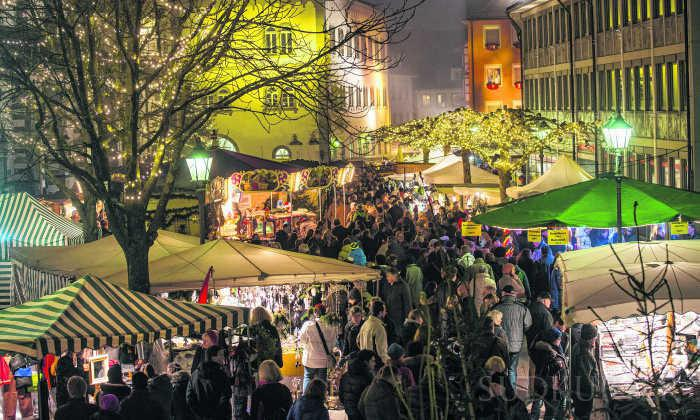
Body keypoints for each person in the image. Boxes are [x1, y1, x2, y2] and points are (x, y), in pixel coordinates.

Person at [493, 285, 532, 390]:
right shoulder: (523, 308)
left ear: (503, 294)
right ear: (513, 294)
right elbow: (528, 324)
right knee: (512, 369)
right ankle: (512, 393)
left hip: (500, 344)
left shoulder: (496, 308)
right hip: (516, 345)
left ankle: (501, 392)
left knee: (501, 369)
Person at [298, 304, 338, 392]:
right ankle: (321, 400)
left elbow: (301, 341)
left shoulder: (308, 325)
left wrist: (306, 346)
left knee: (308, 378)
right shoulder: (330, 326)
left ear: (315, 313)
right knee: (322, 382)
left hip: (310, 359)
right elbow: (333, 343)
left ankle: (306, 399)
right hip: (323, 360)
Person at [530, 328, 567, 420]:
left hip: (540, 382)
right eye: (558, 338)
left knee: (538, 406)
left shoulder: (541, 348)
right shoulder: (551, 352)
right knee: (551, 411)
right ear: (552, 339)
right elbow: (549, 370)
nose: (560, 340)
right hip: (551, 386)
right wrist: (558, 365)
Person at [186, 345, 232, 420]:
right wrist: (217, 415)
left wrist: (199, 414)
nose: (223, 357)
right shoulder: (221, 374)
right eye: (220, 355)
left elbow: (189, 398)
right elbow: (226, 395)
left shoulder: (194, 374)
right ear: (213, 357)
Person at [571, 324, 599, 420]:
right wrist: (595, 389)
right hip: (583, 394)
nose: (595, 341)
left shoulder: (578, 345)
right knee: (583, 416)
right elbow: (585, 378)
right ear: (590, 338)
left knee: (579, 414)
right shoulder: (584, 353)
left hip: (578, 392)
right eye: (595, 338)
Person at [339, 350, 374, 420]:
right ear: (366, 362)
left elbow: (341, 396)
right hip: (362, 415)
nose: (374, 363)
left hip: (350, 411)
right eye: (372, 361)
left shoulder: (346, 375)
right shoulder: (367, 377)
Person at [381, 267, 413, 336]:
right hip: (389, 318)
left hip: (399, 319)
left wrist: (408, 319)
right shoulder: (388, 285)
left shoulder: (403, 286)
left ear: (394, 275)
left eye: (388, 276)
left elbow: (407, 304)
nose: (387, 278)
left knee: (399, 337)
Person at [357, 299, 390, 364]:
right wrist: (387, 362)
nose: (385, 312)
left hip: (364, 362)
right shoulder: (379, 328)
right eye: (384, 311)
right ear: (380, 313)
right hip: (375, 363)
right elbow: (381, 351)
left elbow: (358, 340)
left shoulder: (365, 324)